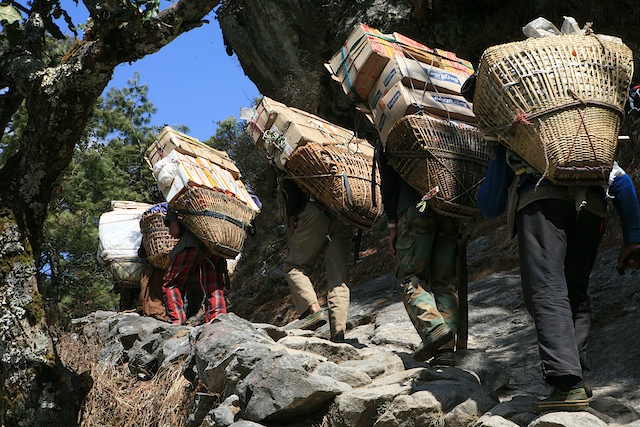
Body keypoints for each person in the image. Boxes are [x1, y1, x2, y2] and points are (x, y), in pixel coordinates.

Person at [476, 144, 640, 412]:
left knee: (545, 288)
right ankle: (575, 372)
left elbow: (490, 206)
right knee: (574, 290)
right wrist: (633, 237)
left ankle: (567, 383)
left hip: (541, 203)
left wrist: (497, 152)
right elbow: (623, 183)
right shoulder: (590, 140)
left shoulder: (516, 137)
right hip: (593, 208)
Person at [379, 150, 461, 367]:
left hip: (414, 206)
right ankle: (445, 351)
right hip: (450, 208)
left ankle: (434, 328)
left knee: (410, 277)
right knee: (445, 281)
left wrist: (392, 223)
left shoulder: (394, 126)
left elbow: (389, 179)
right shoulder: (449, 120)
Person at [282, 178, 353, 342]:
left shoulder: (295, 156)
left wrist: (292, 232)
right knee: (338, 278)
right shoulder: (343, 156)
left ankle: (313, 309)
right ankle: (338, 332)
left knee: (293, 266)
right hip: (343, 215)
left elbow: (292, 195)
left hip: (314, 213)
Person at [162, 207, 228, 325]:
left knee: (172, 283)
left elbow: (175, 231)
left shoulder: (178, 199)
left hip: (190, 245)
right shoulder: (220, 197)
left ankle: (177, 321)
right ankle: (218, 321)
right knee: (213, 286)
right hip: (215, 246)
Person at [137, 244, 169, 321]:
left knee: (151, 293)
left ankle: (156, 312)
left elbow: (141, 253)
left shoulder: (150, 241)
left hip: (152, 269)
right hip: (167, 270)